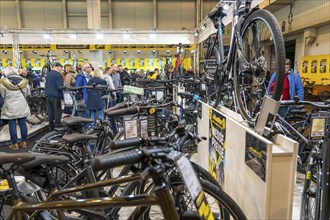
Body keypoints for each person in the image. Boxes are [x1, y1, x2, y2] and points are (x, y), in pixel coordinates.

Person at [0, 66, 30, 150]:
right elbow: (28, 93)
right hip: (22, 105)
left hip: (9, 106)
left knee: (12, 125)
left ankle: (15, 144)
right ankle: (23, 142)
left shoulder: (3, 83)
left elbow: (2, 96)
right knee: (23, 123)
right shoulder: (24, 81)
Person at [44, 62, 64, 130]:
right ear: (58, 67)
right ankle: (57, 125)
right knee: (57, 111)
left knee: (50, 111)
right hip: (56, 95)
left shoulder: (48, 74)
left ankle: (51, 125)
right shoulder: (58, 75)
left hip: (48, 95)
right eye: (61, 67)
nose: (61, 69)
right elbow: (59, 86)